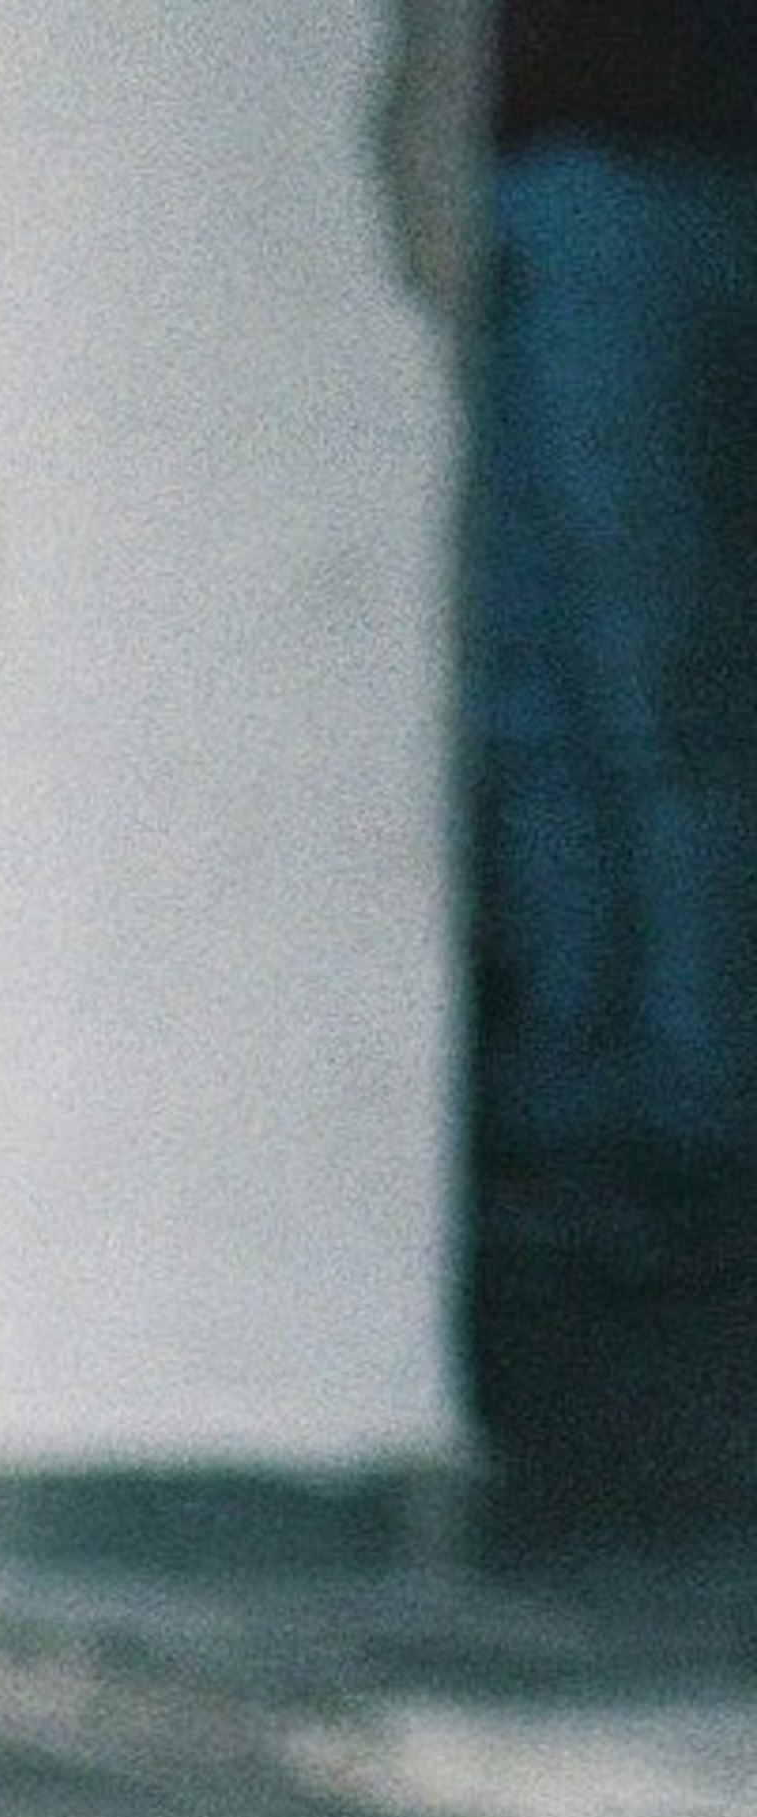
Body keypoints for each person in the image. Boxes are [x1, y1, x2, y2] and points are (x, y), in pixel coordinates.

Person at [473, 0, 757, 1264]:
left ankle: (700, 1099)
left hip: (634, 174)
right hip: (520, 168)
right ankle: (578, 1092)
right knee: (534, 685)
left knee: (659, 678)